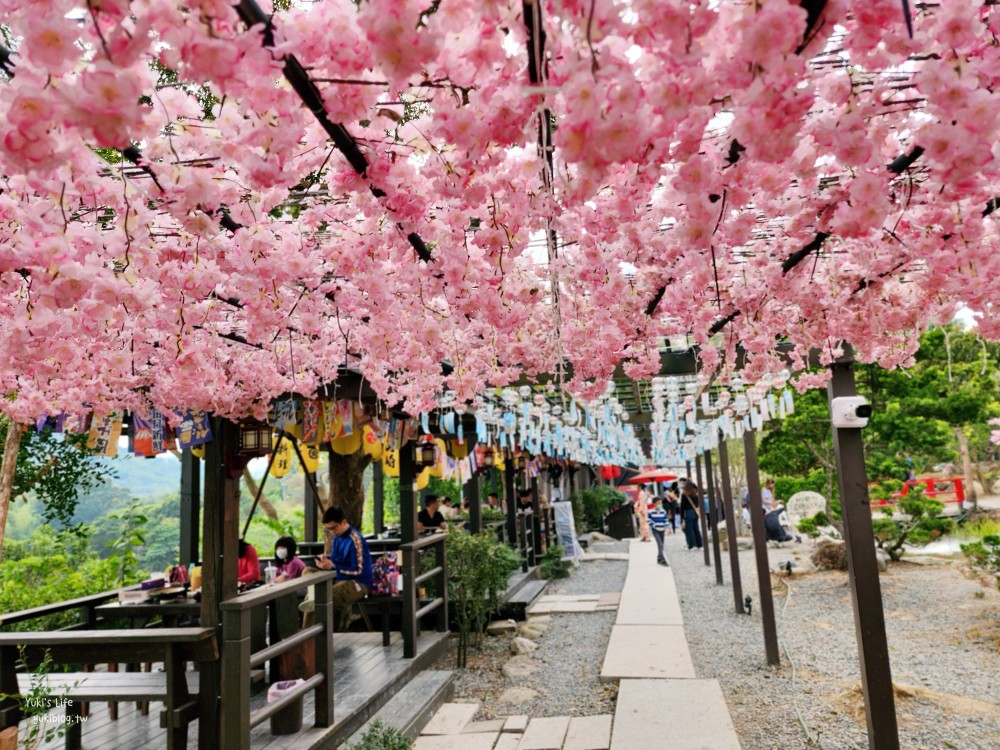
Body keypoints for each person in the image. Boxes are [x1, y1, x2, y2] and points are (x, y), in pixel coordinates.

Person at [315, 507, 373, 630]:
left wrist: (333, 567)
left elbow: (359, 571)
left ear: (344, 522)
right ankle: (308, 636)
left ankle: (316, 637)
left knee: (323, 596)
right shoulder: (336, 538)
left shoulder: (356, 539)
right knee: (309, 576)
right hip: (338, 579)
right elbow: (335, 561)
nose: (331, 532)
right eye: (329, 529)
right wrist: (325, 561)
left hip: (357, 583)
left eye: (333, 528)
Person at [680, 481, 703, 550]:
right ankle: (699, 544)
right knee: (696, 528)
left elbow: (682, 507)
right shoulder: (695, 494)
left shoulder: (685, 495)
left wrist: (682, 517)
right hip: (695, 512)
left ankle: (691, 545)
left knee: (690, 529)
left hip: (688, 512)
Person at [648, 496, 670, 566]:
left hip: (662, 529)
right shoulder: (651, 512)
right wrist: (654, 525)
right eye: (658, 503)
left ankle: (659, 557)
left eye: (661, 503)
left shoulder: (663, 511)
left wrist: (667, 527)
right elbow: (648, 520)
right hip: (655, 530)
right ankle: (663, 560)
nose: (660, 505)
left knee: (661, 544)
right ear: (654, 504)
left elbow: (666, 520)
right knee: (660, 544)